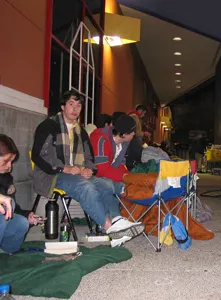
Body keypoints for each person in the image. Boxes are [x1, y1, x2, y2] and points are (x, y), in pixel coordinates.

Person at [31, 90, 144, 247]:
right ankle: (111, 229)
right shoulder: (49, 126)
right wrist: (64, 168)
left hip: (76, 174)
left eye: (78, 105)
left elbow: (90, 159)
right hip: (52, 175)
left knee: (106, 184)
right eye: (71, 104)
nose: (75, 109)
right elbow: (38, 155)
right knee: (87, 187)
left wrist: (89, 170)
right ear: (63, 106)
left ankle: (117, 220)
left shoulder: (80, 131)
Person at [0, 134, 44, 254]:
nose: (10, 166)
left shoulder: (5, 178)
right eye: (6, 161)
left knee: (21, 222)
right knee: (6, 204)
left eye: (11, 161)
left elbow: (13, 209)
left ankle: (6, 252)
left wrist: (27, 214)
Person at [90, 115, 137, 182]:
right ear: (124, 134)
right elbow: (100, 170)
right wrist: (124, 177)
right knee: (112, 188)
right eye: (133, 131)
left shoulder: (123, 143)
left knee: (134, 186)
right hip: (95, 177)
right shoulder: (101, 140)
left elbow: (120, 165)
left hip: (110, 176)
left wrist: (130, 177)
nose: (134, 133)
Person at [126, 105, 148, 170]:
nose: (143, 115)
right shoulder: (134, 117)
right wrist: (144, 134)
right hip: (134, 146)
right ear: (140, 111)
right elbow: (135, 131)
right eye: (144, 113)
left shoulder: (133, 116)